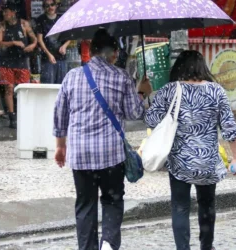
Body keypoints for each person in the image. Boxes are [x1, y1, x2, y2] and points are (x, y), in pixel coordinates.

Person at [53, 28, 152, 250]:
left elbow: (59, 114)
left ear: (91, 51)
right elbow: (134, 113)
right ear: (114, 53)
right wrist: (142, 93)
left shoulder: (72, 77)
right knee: (112, 200)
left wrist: (60, 146)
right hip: (110, 155)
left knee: (85, 205)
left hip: (80, 155)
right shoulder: (121, 77)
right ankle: (108, 241)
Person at [144, 50, 236, 250]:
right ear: (201, 67)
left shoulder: (169, 90)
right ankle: (206, 246)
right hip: (208, 162)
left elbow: (151, 120)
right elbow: (229, 128)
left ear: (179, 67)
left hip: (180, 163)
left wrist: (145, 93)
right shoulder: (216, 91)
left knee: (180, 207)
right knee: (207, 205)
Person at [0, 3, 37, 129]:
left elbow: (34, 39)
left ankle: (23, 114)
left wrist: (32, 45)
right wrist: (13, 42)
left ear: (13, 12)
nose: (4, 14)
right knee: (9, 88)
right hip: (6, 61)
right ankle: (12, 117)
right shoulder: (1, 26)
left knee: (23, 89)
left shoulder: (24, 24)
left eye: (6, 12)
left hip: (22, 61)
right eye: (3, 12)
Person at [36, 0, 71, 84]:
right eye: (47, 6)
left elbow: (70, 36)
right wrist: (48, 54)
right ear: (44, 8)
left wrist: (65, 46)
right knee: (48, 86)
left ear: (56, 6)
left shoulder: (62, 18)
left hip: (61, 57)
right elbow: (39, 39)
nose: (50, 7)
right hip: (47, 58)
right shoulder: (40, 19)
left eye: (52, 5)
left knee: (61, 86)